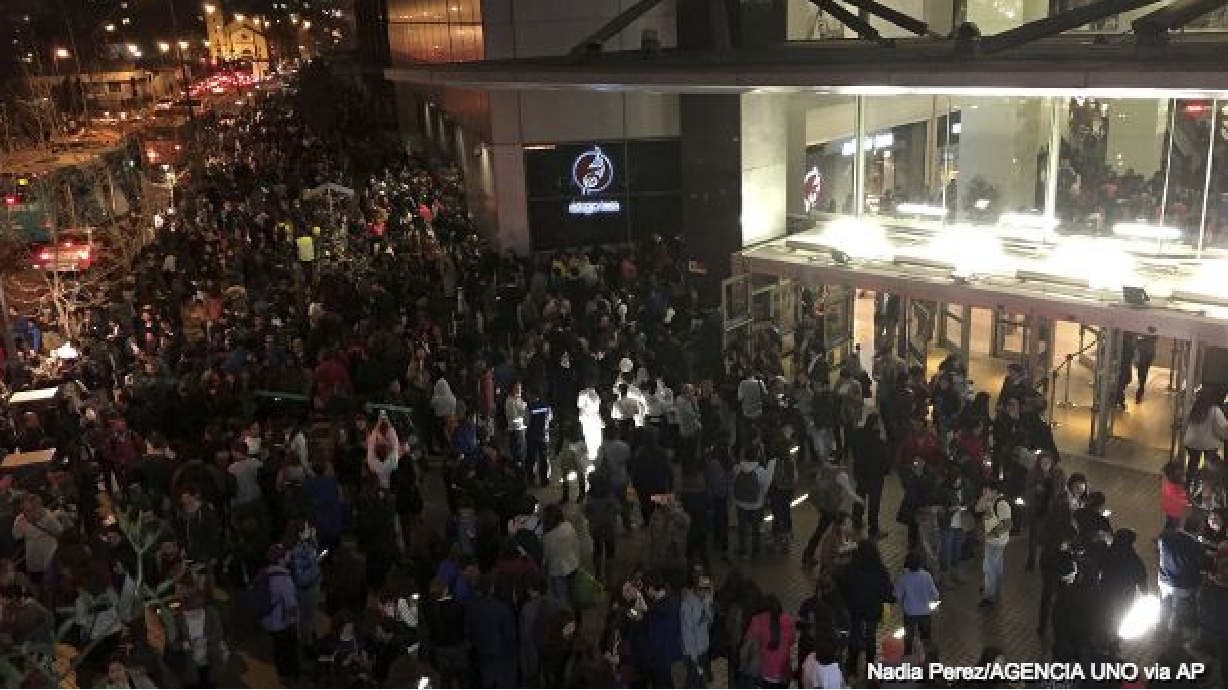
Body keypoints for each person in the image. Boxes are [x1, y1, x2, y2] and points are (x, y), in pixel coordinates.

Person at [835, 541, 893, 678]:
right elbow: (887, 590)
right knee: (871, 637)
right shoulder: (880, 569)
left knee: (854, 636)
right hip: (873, 610)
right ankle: (870, 667)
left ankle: (852, 667)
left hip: (854, 610)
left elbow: (842, 588)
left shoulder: (850, 569)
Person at [255, 543, 300, 684]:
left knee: (278, 647)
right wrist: (294, 622)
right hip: (282, 622)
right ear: (280, 559)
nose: (288, 556)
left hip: (269, 620)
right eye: (285, 554)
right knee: (286, 648)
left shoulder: (265, 573)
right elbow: (291, 604)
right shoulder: (283, 579)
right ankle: (288, 675)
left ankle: (282, 674)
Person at [1158, 515, 1208, 636]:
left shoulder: (1167, 536)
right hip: (1182, 585)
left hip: (1164, 579)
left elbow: (1161, 551)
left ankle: (1160, 626)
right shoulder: (1196, 547)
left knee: (1165, 603)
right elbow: (1202, 566)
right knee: (1178, 609)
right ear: (1199, 529)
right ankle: (1173, 632)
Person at [732, 435, 777, 559]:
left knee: (742, 527)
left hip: (740, 503)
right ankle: (755, 549)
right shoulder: (760, 470)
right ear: (756, 456)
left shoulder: (737, 468)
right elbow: (765, 485)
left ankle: (742, 549)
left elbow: (733, 482)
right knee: (755, 527)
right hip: (756, 504)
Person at [742, 595, 796, 689]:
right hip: (784, 672)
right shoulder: (788, 619)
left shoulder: (757, 619)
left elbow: (747, 644)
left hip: (765, 672)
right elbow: (792, 641)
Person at [894, 551, 940, 655]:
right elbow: (935, 594)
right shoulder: (927, 576)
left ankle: (908, 660)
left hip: (909, 614)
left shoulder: (904, 578)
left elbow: (897, 595)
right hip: (925, 613)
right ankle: (927, 659)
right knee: (926, 640)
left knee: (908, 640)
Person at [976, 481, 1012, 608]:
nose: (984, 493)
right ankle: (995, 589)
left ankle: (989, 597)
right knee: (996, 567)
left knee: (989, 569)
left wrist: (991, 535)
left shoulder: (1001, 504)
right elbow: (977, 509)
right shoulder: (989, 501)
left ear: (995, 492)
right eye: (983, 490)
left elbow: (1008, 524)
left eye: (987, 490)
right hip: (993, 541)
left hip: (996, 542)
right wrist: (984, 497)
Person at [1184, 387, 1227, 491]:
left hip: (1192, 442)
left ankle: (1189, 486)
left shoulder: (1193, 407)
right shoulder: (1215, 410)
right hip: (1210, 444)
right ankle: (1205, 489)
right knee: (1208, 467)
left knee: (1192, 464)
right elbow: (1225, 425)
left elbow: (1185, 421)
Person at [541, 504, 581, 610]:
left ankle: (566, 620)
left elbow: (546, 555)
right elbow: (576, 544)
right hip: (572, 565)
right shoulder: (568, 526)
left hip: (557, 570)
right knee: (573, 594)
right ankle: (576, 617)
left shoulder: (548, 536)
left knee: (561, 597)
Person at [680, 570, 715, 688]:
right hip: (693, 653)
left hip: (703, 648)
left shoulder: (704, 600)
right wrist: (694, 657)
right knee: (697, 682)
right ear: (695, 587)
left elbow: (709, 623)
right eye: (702, 588)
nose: (705, 591)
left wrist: (708, 605)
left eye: (707, 588)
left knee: (692, 681)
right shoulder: (687, 604)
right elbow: (687, 634)